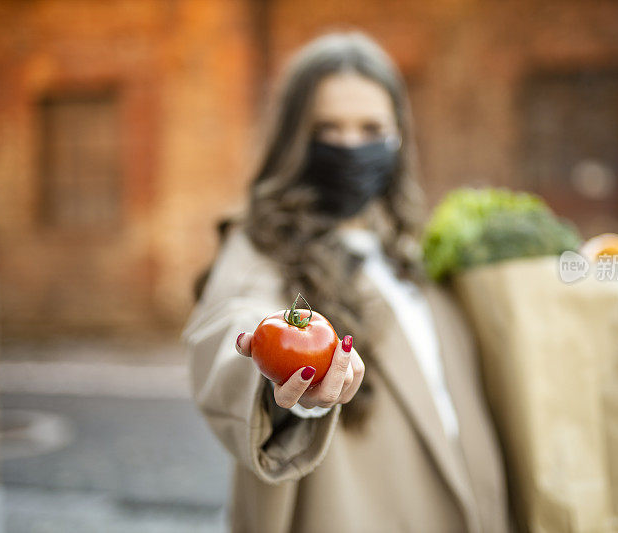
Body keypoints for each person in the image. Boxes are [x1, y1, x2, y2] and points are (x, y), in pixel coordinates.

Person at [181, 31, 511, 533]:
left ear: (399, 137)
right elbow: (232, 329)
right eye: (328, 130)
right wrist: (281, 386)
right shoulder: (258, 247)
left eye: (371, 128)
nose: (351, 147)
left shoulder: (413, 251)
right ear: (295, 139)